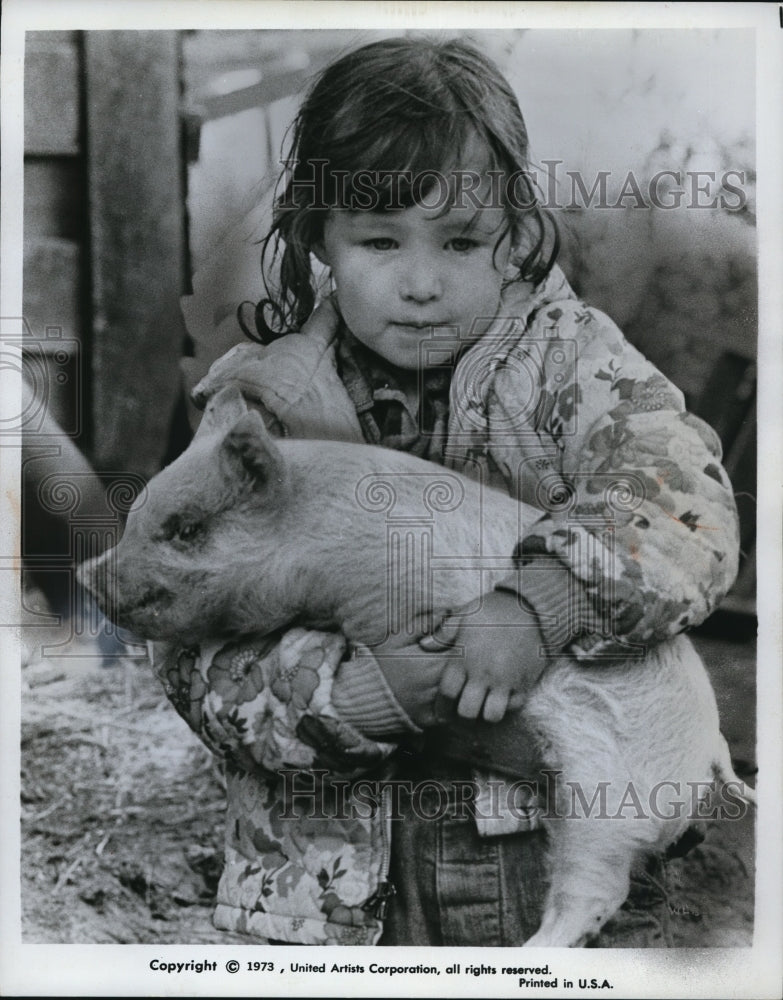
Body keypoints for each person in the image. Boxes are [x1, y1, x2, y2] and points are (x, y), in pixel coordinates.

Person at [151, 35, 740, 946]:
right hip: (315, 891)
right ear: (316, 236)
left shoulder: (568, 368)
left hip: (524, 861)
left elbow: (684, 505)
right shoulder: (260, 416)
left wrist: (541, 601)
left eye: (461, 240)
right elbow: (190, 644)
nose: (422, 284)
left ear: (514, 234)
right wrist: (356, 696)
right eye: (379, 241)